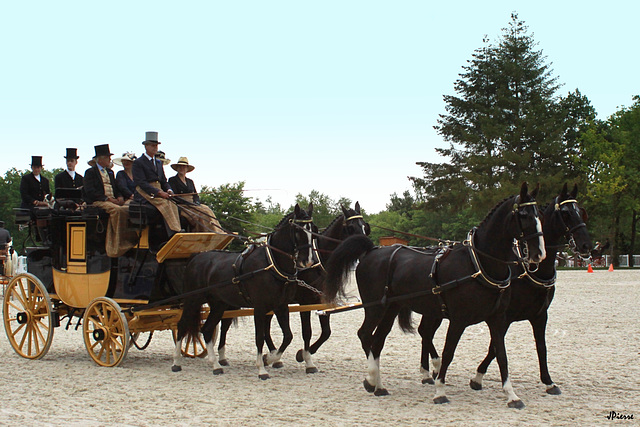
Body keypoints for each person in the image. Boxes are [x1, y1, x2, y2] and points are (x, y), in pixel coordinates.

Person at [83, 144, 138, 257]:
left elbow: (116, 188)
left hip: (112, 200)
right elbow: (90, 192)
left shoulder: (110, 172)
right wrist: (107, 199)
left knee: (127, 209)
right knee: (117, 211)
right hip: (98, 201)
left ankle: (129, 239)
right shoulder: (90, 172)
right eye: (108, 157)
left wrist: (119, 197)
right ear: (101, 159)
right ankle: (115, 242)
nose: (109, 159)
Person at [132, 131, 181, 234]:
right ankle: (172, 233)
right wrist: (158, 192)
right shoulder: (138, 162)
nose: (155, 148)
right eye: (152, 145)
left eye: (156, 145)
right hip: (144, 193)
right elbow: (141, 183)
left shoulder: (158, 163)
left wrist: (169, 189)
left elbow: (163, 180)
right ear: (146, 146)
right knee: (165, 204)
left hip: (158, 192)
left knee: (173, 203)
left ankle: (177, 229)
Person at [168, 157, 224, 232]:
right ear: (177, 168)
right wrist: (187, 203)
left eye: (184, 167)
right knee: (202, 213)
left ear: (187, 169)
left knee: (207, 209)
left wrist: (196, 203)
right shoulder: (172, 180)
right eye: (180, 166)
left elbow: (195, 195)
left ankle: (218, 230)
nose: (182, 168)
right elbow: (174, 196)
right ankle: (206, 231)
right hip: (183, 206)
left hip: (193, 204)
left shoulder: (190, 181)